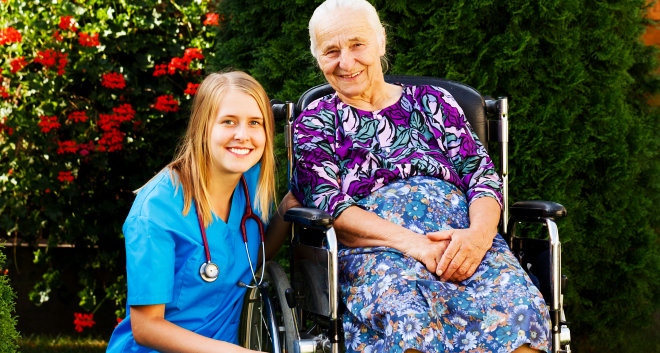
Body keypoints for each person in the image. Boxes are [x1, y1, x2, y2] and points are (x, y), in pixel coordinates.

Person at [291, 1, 551, 352]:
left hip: (465, 241)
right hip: (378, 250)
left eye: (357, 44)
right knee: (408, 314)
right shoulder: (315, 121)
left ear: (381, 41)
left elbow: (483, 178)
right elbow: (330, 207)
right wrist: (415, 245)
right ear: (316, 57)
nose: (346, 62)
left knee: (520, 309)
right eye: (331, 51)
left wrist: (477, 238)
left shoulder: (434, 103)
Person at [107, 71, 299, 353]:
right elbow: (146, 326)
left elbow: (248, 260)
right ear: (202, 127)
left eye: (255, 123)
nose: (242, 135)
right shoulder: (157, 210)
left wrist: (286, 209)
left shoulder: (252, 183)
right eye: (228, 121)